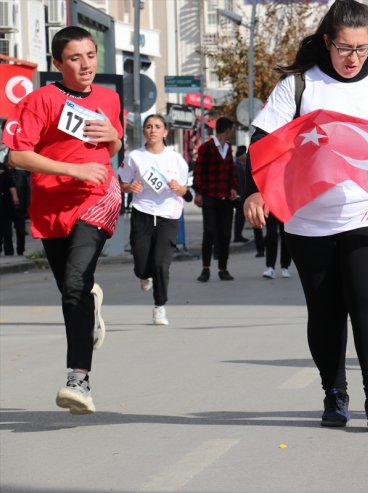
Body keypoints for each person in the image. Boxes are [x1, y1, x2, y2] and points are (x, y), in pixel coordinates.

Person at [244, 0, 368, 429]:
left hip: (367, 214)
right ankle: (334, 394)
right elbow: (262, 143)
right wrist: (254, 192)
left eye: (362, 49)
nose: (353, 58)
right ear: (327, 42)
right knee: (325, 310)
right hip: (308, 218)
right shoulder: (299, 87)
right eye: (344, 48)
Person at [2, 26, 123, 414]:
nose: (86, 64)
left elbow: (113, 144)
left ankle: (78, 380)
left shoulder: (109, 98)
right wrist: (75, 170)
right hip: (52, 205)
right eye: (75, 58)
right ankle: (89, 300)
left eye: (90, 55)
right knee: (73, 291)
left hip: (98, 196)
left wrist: (114, 139)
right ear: (58, 63)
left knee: (74, 283)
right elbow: (17, 157)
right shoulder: (41, 100)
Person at [119, 114, 189, 326]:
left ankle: (160, 307)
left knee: (161, 263)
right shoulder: (135, 157)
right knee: (141, 265)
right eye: (149, 126)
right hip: (143, 212)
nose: (153, 130)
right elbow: (121, 182)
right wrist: (130, 187)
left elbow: (186, 189)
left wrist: (180, 188)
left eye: (157, 127)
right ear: (144, 131)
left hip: (168, 214)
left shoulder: (175, 158)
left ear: (165, 132)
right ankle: (144, 275)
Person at [193, 117, 238, 282]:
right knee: (210, 232)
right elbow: (199, 171)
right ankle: (205, 269)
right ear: (226, 130)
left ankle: (223, 269)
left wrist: (233, 187)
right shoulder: (206, 148)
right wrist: (198, 192)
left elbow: (231, 171)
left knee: (225, 235)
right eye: (231, 130)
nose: (231, 133)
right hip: (210, 196)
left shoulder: (228, 149)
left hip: (226, 198)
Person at [261, 214, 292, 279]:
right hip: (272, 206)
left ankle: (285, 266)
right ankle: (270, 267)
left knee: (286, 234)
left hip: (285, 206)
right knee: (271, 235)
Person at [232, 145, 249, 243]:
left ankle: (239, 235)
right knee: (239, 217)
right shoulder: (237, 166)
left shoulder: (241, 165)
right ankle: (237, 236)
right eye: (245, 154)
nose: (246, 156)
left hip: (242, 195)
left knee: (241, 217)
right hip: (239, 196)